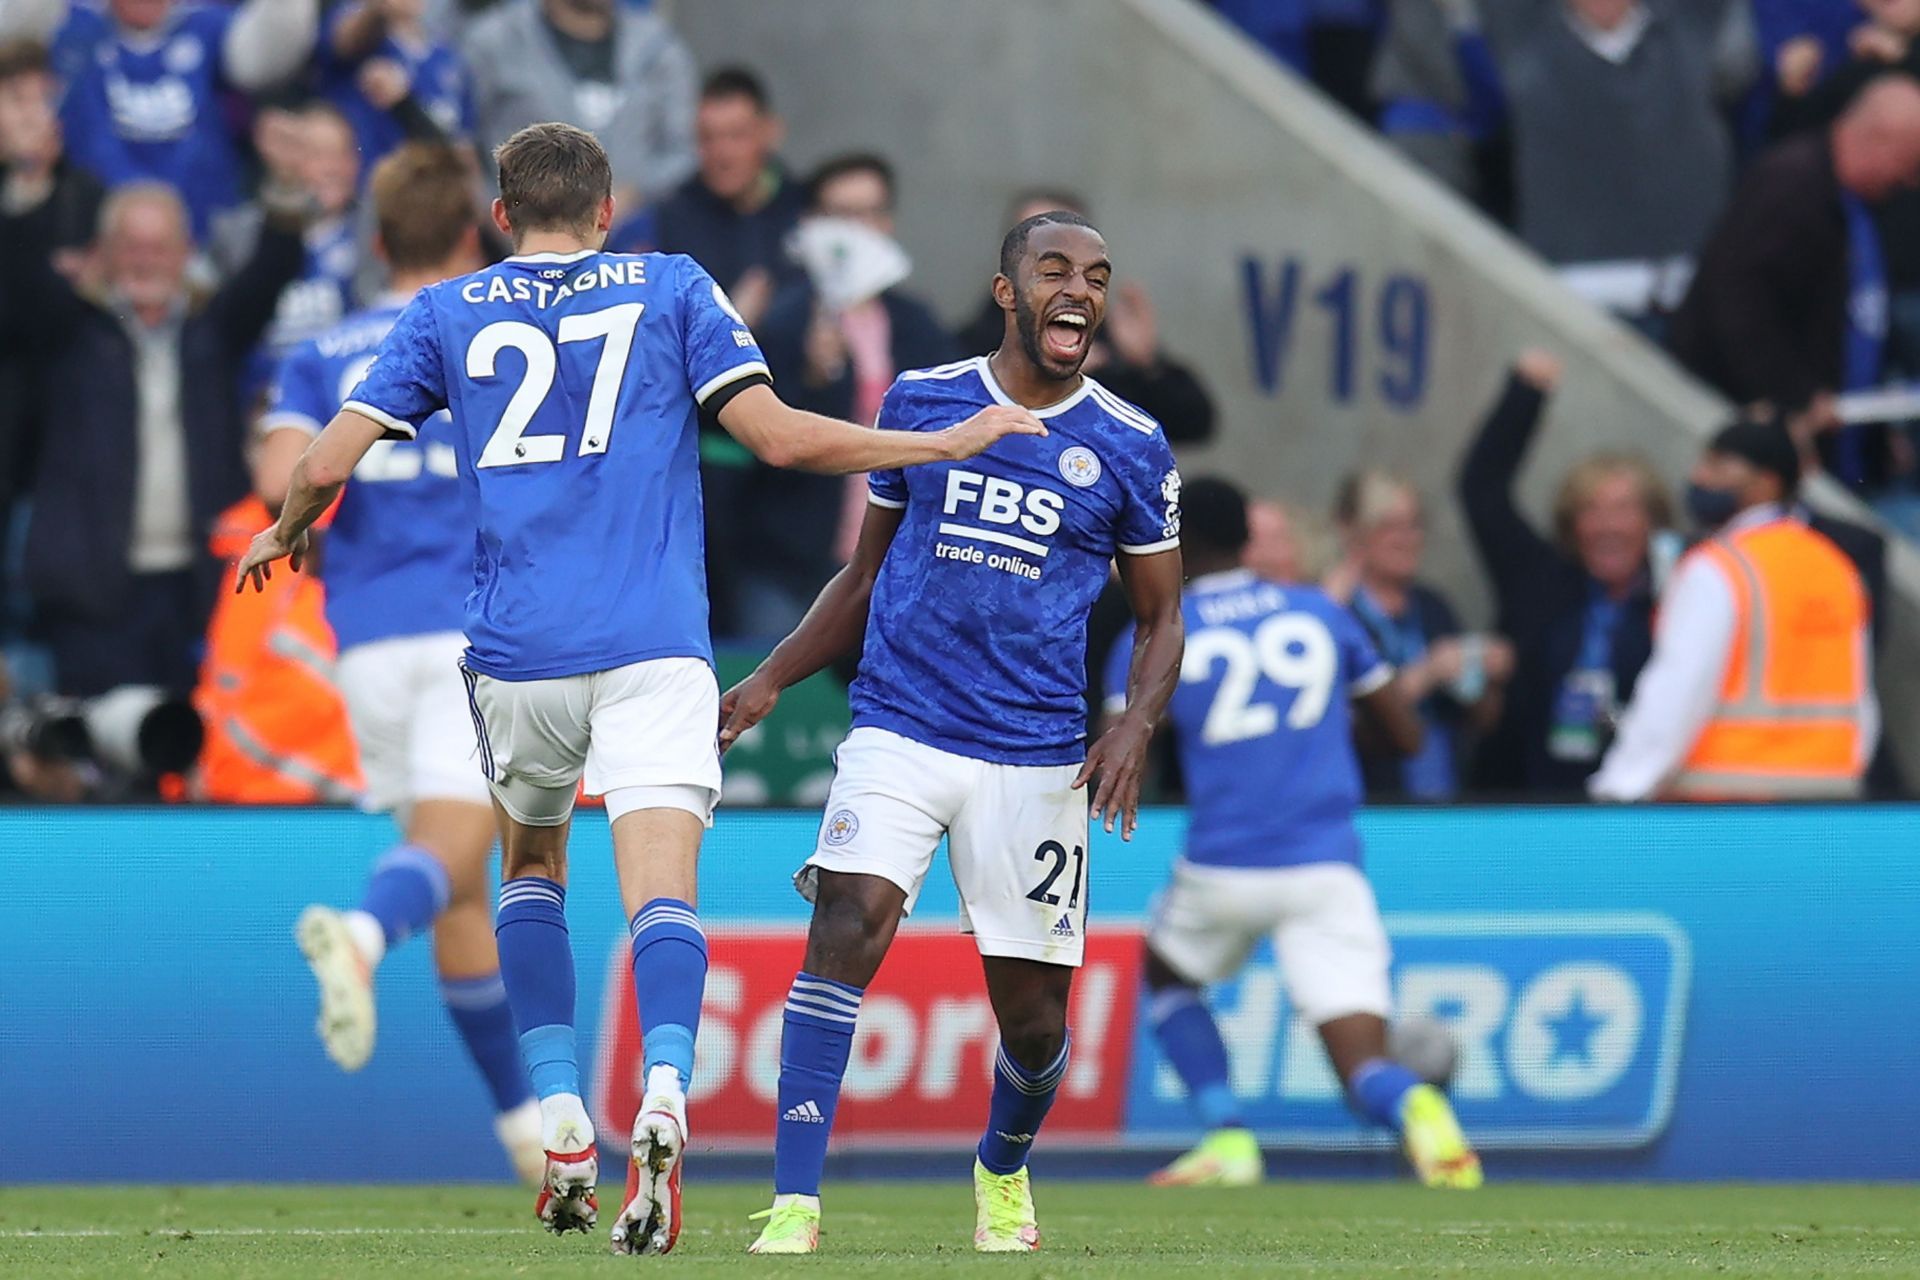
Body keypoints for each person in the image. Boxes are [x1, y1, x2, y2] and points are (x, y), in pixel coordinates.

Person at [232, 123, 1043, 1254]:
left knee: (529, 866)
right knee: (662, 887)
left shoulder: (447, 310)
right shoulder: (672, 284)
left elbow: (322, 462)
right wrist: (938, 441)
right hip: (655, 643)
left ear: (504, 216)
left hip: (517, 652)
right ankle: (663, 1087)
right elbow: (777, 438)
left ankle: (562, 1108)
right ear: (608, 209)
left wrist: (285, 528)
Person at [720, 210, 1187, 1256]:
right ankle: (795, 1201)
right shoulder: (923, 401)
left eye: (1098, 275)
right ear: (1008, 289)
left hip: (1036, 749)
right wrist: (767, 681)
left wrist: (1132, 724)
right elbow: (863, 575)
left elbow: (1162, 615)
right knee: (848, 919)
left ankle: (1003, 1166)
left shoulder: (1129, 441)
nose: (1081, 288)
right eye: (1055, 268)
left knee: (1033, 1022)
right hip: (900, 719)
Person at [255, 143, 541, 1185]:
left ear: (377, 242)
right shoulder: (500, 335)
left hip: (369, 637)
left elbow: (281, 478)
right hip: (484, 632)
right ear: (473, 234)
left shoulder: (324, 348)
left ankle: (527, 1130)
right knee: (458, 856)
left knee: (456, 874)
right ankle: (364, 933)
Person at [1102, 477, 1481, 1190]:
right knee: (1363, 1066)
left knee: (1168, 976)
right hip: (1325, 866)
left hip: (1223, 866)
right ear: (1249, 537)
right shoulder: (1320, 613)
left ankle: (1229, 1139)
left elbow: (1117, 755)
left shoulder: (1152, 631)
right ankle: (1418, 1104)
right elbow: (1404, 735)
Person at [9, 177, 307, 698]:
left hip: (199, 588)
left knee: (188, 751)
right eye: (131, 246)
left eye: (160, 246)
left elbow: (270, 269)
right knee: (106, 753)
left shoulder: (211, 332)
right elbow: (23, 271)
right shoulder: (69, 332)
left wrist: (284, 193)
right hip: (93, 595)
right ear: (102, 253)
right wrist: (25, 190)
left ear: (185, 253)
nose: (145, 260)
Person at [1590, 417, 1874, 800]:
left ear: (1767, 482)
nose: (1699, 476)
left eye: (1718, 466)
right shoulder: (1835, 568)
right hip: (1828, 797)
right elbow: (1861, 704)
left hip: (1728, 803)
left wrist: (1619, 787)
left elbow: (1678, 688)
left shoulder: (1719, 567)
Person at [751, 152, 959, 633]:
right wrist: (811, 376)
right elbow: (758, 432)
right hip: (792, 561)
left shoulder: (915, 323)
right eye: (841, 215)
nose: (857, 230)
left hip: (896, 558)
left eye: (869, 213)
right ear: (811, 223)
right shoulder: (782, 320)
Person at [1456, 350, 1675, 794]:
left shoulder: (1677, 595)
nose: (1608, 526)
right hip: (1525, 808)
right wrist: (1526, 394)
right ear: (1572, 526)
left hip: (1638, 808)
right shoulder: (1538, 578)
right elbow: (1483, 490)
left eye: (1623, 510)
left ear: (1651, 521)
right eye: (1591, 511)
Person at [1671, 74, 1920, 424]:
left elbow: (1859, 317)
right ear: (1880, 139)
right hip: (1755, 416)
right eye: (1910, 165)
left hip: (1834, 412)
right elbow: (1737, 297)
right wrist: (1795, 394)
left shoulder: (1859, 204)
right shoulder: (1791, 186)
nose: (1911, 182)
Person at [5, 0, 321, 238]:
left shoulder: (208, 26)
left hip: (204, 241)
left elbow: (267, 60)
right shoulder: (69, 27)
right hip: (93, 245)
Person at [958, 192, 1216, 447]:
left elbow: (1193, 424)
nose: (1075, 289)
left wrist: (1148, 366)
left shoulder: (1111, 343)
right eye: (1051, 265)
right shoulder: (965, 353)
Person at [1324, 470, 1512, 800]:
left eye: (1414, 525)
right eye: (1388, 526)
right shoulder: (1335, 611)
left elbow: (1483, 720)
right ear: (1351, 530)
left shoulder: (1432, 606)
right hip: (1372, 806)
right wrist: (1427, 673)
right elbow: (1333, 720)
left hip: (1445, 802)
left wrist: (1485, 674)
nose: (1406, 538)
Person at [462, 0, 695, 211]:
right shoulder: (493, 42)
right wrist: (500, 222)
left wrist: (632, 195)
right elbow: (461, 149)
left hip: (637, 242)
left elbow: (683, 151)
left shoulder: (658, 47)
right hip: (522, 237)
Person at [322, 0, 475, 173]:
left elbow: (463, 147)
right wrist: (378, 8)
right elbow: (346, 41)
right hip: (366, 181)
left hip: (427, 187)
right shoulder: (356, 22)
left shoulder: (449, 58)